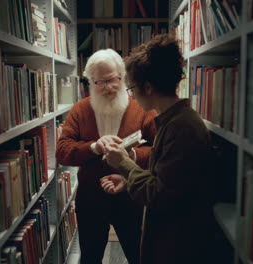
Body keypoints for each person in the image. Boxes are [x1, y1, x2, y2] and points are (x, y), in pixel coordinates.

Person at [100, 34, 216, 264]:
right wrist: (129, 180)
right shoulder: (173, 120)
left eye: (132, 88)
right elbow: (169, 180)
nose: (131, 95)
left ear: (148, 87)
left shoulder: (181, 127)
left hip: (176, 247)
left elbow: (159, 194)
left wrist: (124, 162)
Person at [56, 48, 157, 264]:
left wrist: (130, 155)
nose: (106, 88)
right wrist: (93, 147)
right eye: (98, 82)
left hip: (132, 197)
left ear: (123, 77)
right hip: (91, 200)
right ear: (90, 82)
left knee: (140, 256)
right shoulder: (79, 110)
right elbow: (62, 152)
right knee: (90, 258)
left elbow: (160, 150)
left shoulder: (142, 108)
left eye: (112, 80)